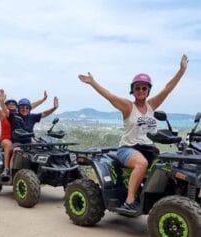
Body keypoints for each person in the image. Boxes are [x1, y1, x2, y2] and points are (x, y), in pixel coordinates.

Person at [78, 54, 189, 212]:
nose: (141, 91)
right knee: (141, 163)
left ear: (148, 90)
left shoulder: (152, 105)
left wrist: (181, 71)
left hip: (148, 148)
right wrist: (93, 83)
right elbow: (110, 96)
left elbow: (168, 89)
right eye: (137, 88)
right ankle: (129, 200)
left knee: (168, 166)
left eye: (144, 88)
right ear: (133, 90)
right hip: (128, 148)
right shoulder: (128, 106)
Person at [0, 83, 48, 177]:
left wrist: (43, 99)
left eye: (14, 104)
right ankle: (6, 169)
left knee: (37, 143)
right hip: (7, 138)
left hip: (18, 139)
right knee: (8, 144)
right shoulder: (2, 114)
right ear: (5, 106)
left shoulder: (19, 114)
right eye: (9, 104)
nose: (11, 105)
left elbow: (31, 105)